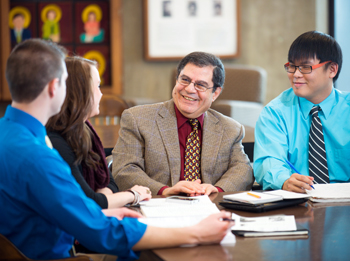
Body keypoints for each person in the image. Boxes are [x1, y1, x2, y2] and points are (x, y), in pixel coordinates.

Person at [0, 39, 233, 260]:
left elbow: (64, 209)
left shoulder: (9, 134)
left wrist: (100, 213)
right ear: (54, 87)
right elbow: (103, 234)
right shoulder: (39, 157)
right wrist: (197, 232)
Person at [113, 51, 254, 196]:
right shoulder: (138, 119)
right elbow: (124, 169)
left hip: (210, 208)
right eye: (185, 80)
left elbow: (243, 169)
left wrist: (217, 190)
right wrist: (164, 191)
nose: (189, 89)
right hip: (158, 207)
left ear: (215, 93)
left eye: (200, 85)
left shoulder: (230, 129)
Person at [46, 56, 151, 210]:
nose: (101, 94)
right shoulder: (57, 142)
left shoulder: (84, 129)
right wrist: (133, 194)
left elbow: (107, 177)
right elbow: (88, 203)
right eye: (98, 86)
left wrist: (104, 196)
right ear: (80, 92)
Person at [254, 31, 350, 192]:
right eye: (292, 66)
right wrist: (284, 180)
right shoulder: (275, 113)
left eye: (306, 67)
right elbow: (269, 161)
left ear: (332, 69)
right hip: (298, 200)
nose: (296, 74)